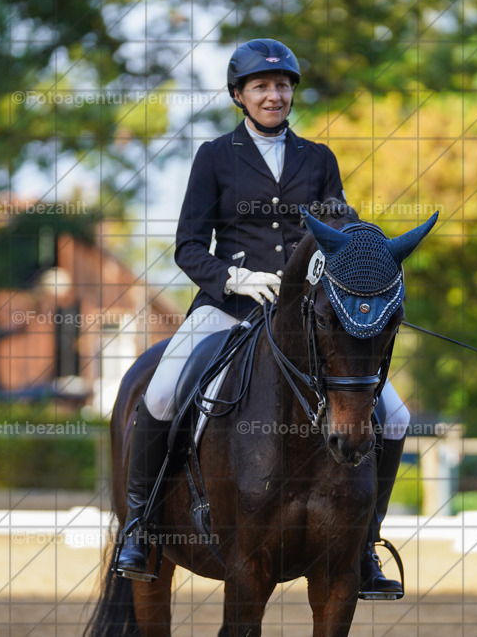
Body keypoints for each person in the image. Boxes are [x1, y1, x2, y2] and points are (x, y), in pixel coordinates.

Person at [112, 38, 410, 599]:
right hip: (228, 307)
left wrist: (360, 271)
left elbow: (339, 229)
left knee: (393, 415)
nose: (274, 95)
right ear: (239, 95)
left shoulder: (318, 158)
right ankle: (138, 526)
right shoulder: (214, 157)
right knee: (160, 395)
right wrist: (236, 278)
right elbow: (188, 246)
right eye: (261, 87)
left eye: (282, 86)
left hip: (303, 318)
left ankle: (365, 544)